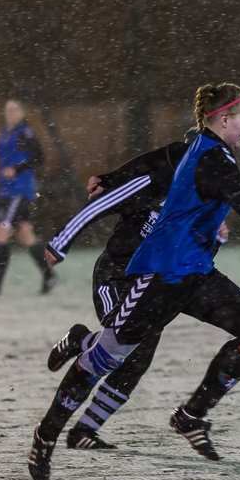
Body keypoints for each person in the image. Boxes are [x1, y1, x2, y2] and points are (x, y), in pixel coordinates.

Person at [27, 83, 240, 480]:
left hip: (195, 273)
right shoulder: (212, 159)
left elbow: (155, 158)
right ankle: (47, 434)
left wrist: (113, 174)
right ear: (223, 119)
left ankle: (192, 414)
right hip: (160, 274)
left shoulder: (205, 147)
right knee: (109, 355)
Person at [36, 132, 200, 450]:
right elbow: (100, 205)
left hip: (149, 285)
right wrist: (60, 242)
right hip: (114, 278)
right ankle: (81, 338)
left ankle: (85, 430)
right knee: (123, 345)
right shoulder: (153, 184)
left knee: (138, 360)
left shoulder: (198, 197)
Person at [0, 98, 57, 295]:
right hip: (7, 191)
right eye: (8, 109)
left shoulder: (25, 133)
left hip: (19, 192)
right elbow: (9, 154)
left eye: (15, 109)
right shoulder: (6, 134)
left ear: (22, 112)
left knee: (1, 232)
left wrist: (17, 169)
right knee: (25, 235)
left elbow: (39, 157)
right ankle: (49, 276)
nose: (10, 113)